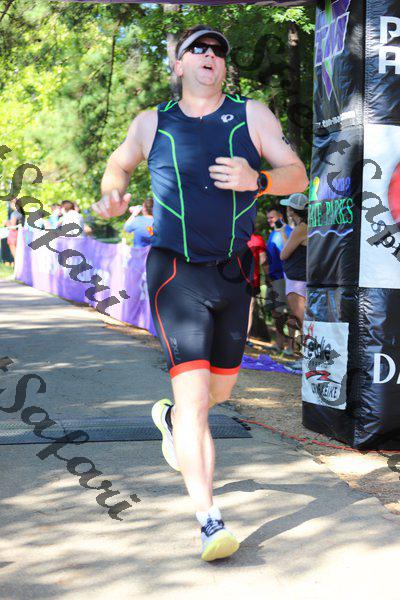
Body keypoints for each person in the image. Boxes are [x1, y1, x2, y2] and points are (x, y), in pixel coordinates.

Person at [92, 24, 308, 561]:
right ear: (179, 64)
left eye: (218, 51)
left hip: (233, 273)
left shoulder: (252, 115)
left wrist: (258, 179)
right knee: (195, 404)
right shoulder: (152, 122)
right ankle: (210, 520)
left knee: (220, 393)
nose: (210, 56)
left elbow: (298, 175)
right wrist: (113, 193)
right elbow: (118, 165)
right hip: (175, 274)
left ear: (223, 67)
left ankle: (169, 419)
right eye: (199, 49)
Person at [280, 193, 308, 369]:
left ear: (291, 210)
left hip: (297, 280)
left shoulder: (301, 228)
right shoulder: (304, 227)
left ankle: (307, 359)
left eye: (288, 208)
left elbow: (284, 254)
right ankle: (306, 358)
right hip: (299, 278)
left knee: (303, 320)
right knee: (303, 320)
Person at [266, 206, 293, 354]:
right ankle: (279, 343)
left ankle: (290, 346)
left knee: (288, 312)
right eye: (268, 218)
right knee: (276, 312)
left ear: (280, 217)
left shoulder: (289, 231)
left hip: (285, 277)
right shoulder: (272, 233)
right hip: (273, 277)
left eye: (272, 217)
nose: (269, 220)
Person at [246, 230, 269, 346]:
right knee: (249, 309)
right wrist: (268, 277)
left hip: (233, 281)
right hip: (252, 281)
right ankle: (246, 338)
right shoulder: (257, 240)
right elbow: (263, 261)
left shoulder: (233, 235)